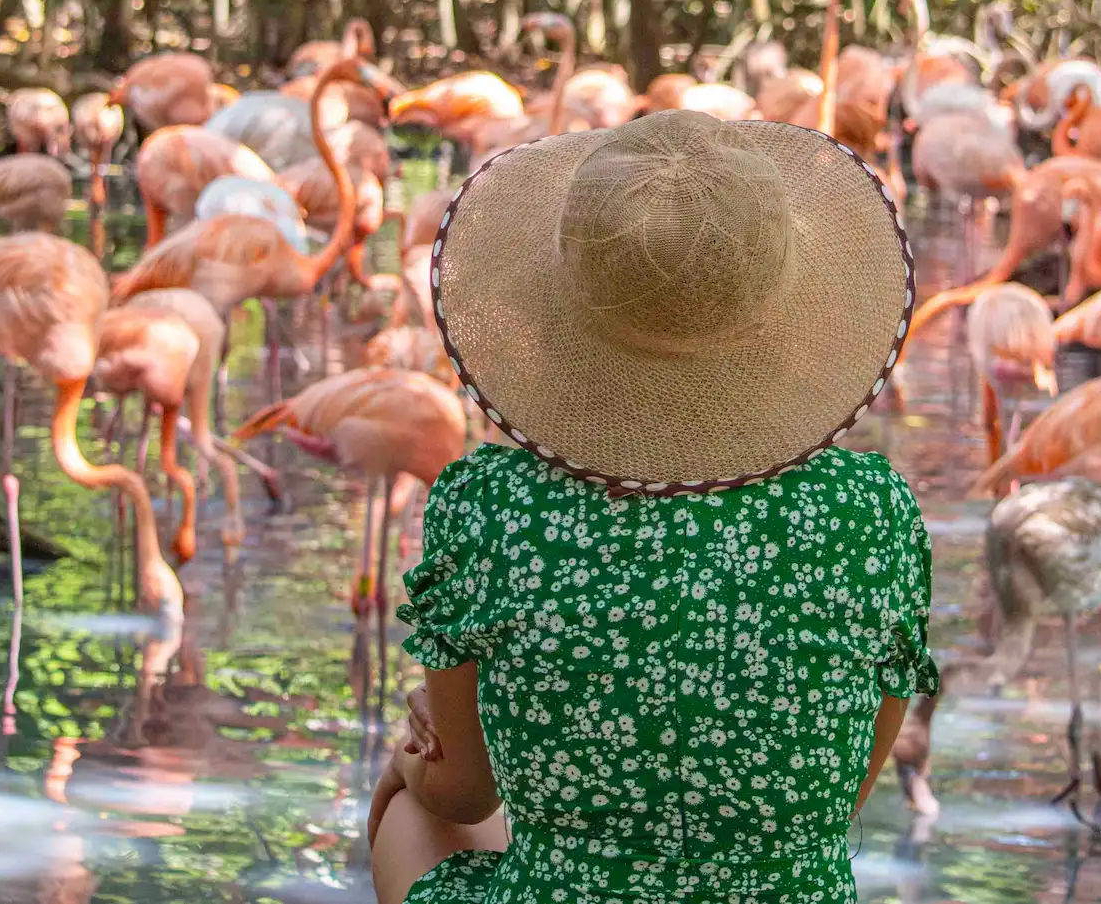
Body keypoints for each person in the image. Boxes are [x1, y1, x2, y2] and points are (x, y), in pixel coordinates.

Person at [367, 108, 938, 903]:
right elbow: (838, 801)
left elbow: (462, 795)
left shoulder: (493, 507)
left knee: (410, 812)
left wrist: (405, 762)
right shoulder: (866, 513)